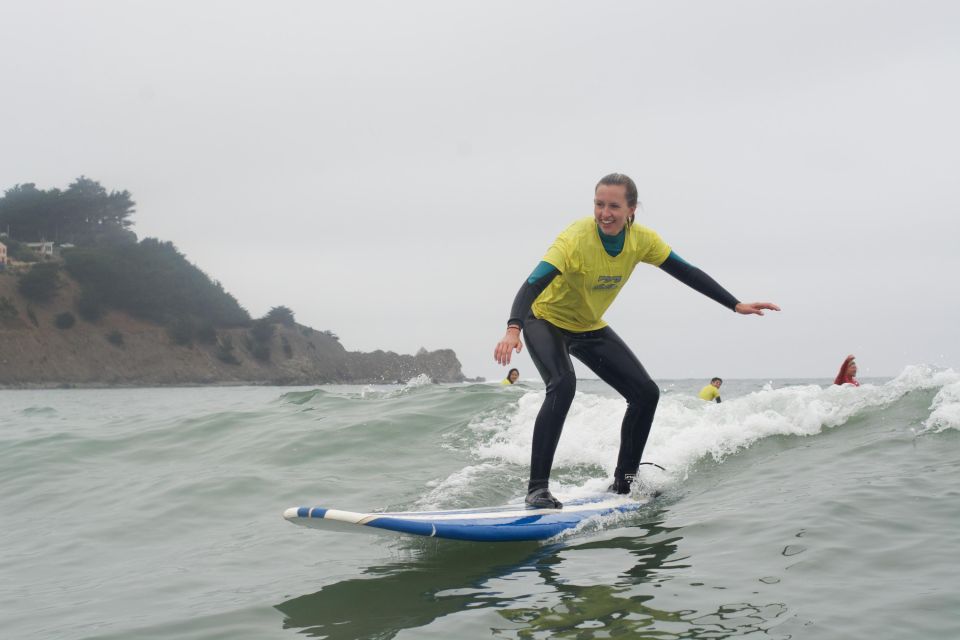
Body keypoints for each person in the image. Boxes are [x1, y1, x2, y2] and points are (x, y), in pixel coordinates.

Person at [493, 173, 780, 509]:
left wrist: (735, 303)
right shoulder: (574, 238)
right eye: (599, 204)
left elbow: (686, 271)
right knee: (563, 383)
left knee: (645, 393)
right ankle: (537, 489)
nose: (605, 213)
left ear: (632, 210)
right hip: (543, 319)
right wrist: (514, 328)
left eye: (614, 206)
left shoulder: (642, 240)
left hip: (588, 325)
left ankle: (625, 481)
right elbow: (532, 284)